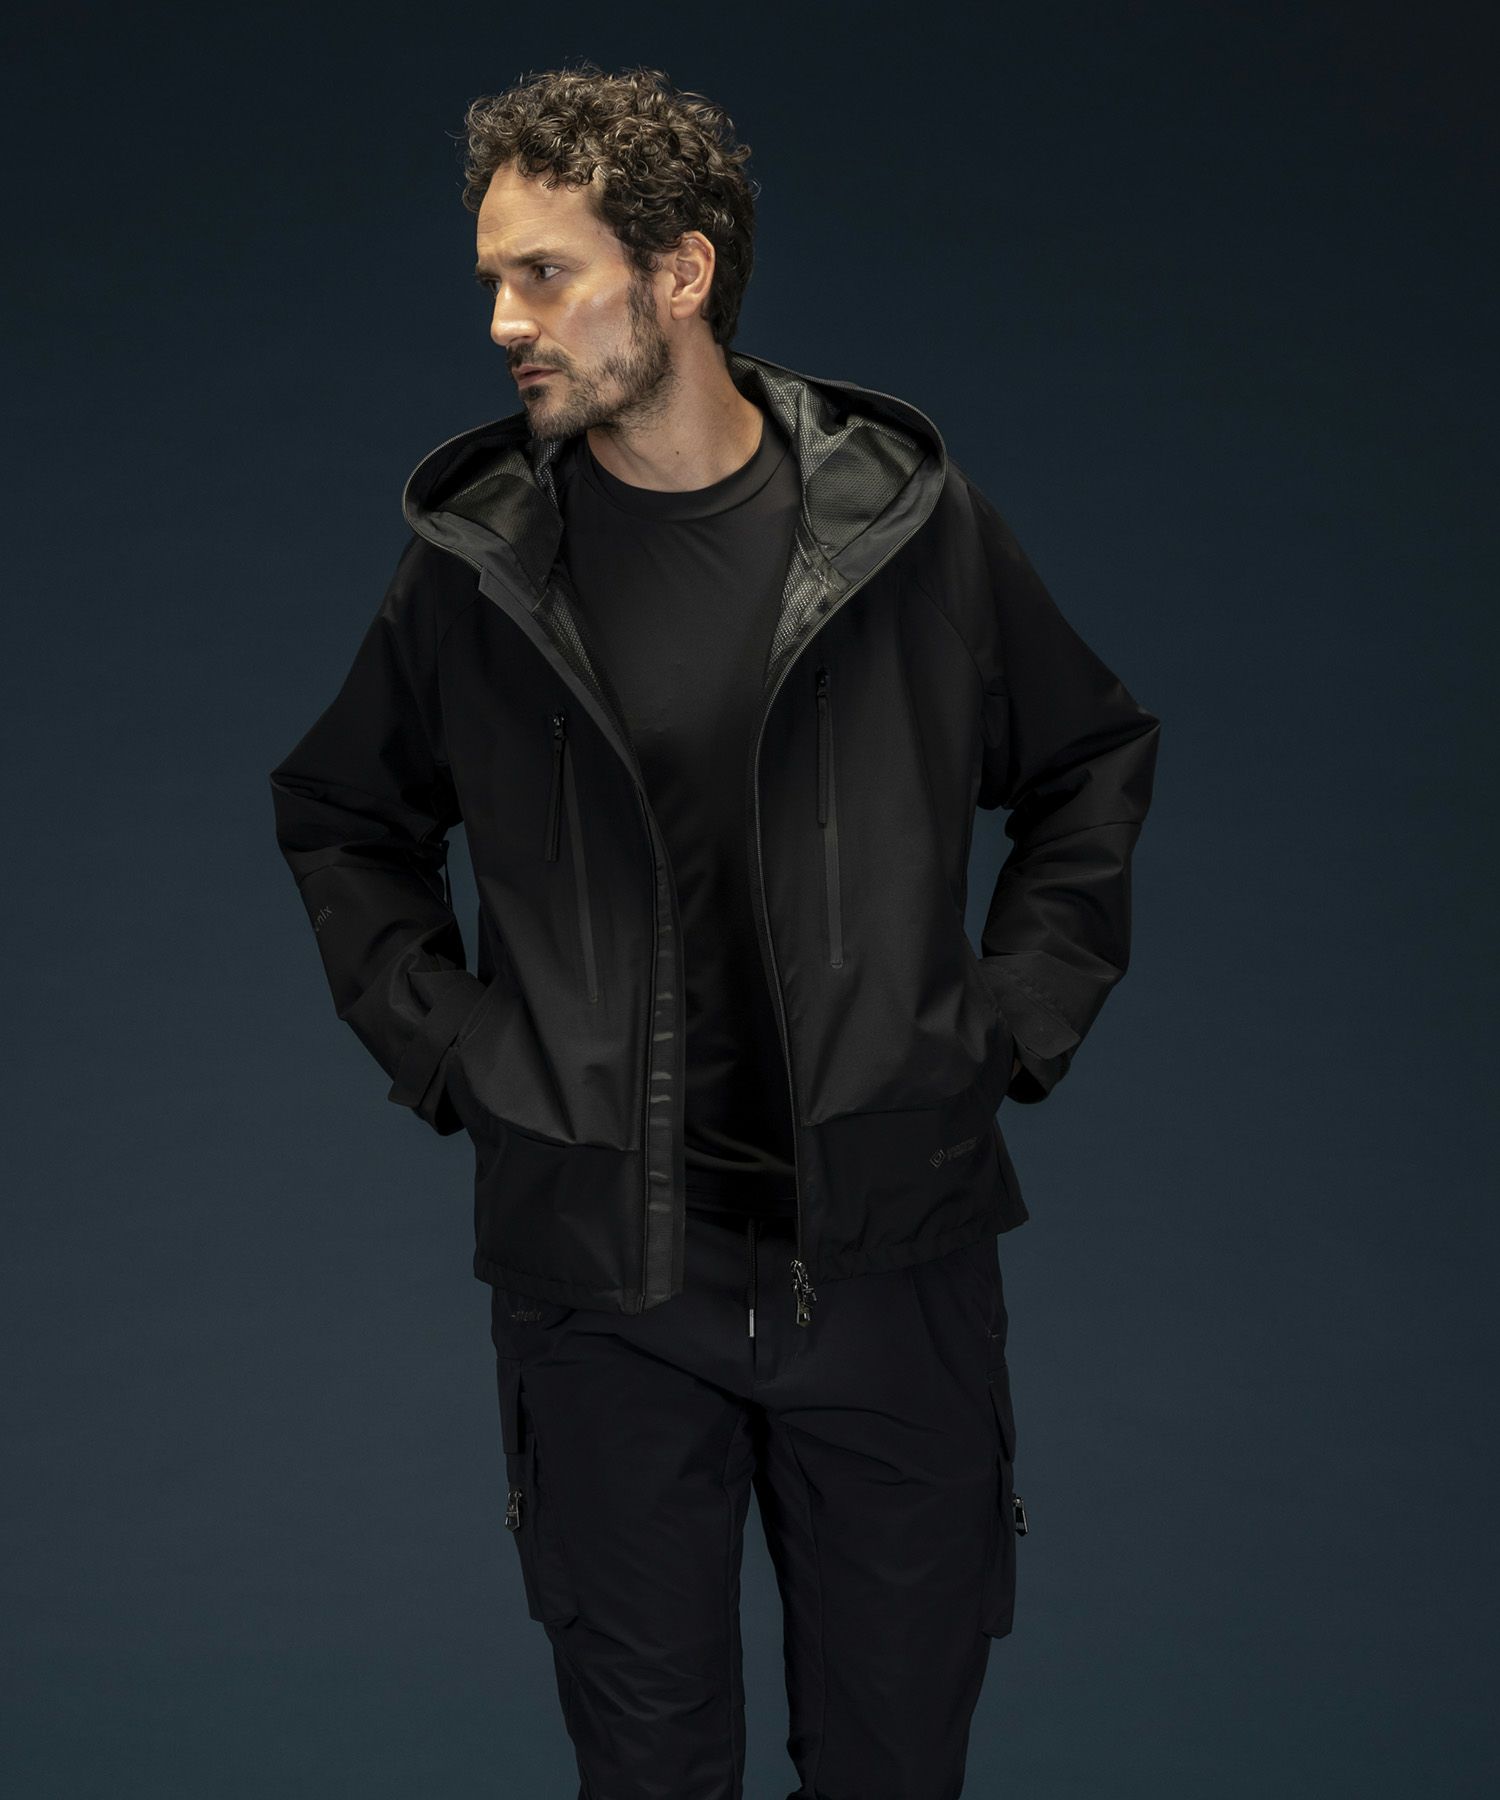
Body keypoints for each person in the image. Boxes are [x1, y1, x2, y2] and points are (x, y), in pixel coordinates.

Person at [268, 60, 1161, 1800]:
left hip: (891, 1265)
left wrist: (1003, 1026)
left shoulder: (905, 527)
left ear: (678, 274)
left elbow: (1090, 761)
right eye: (493, 281)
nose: (505, 323)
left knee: (893, 1769)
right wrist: (466, 1057)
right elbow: (341, 815)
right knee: (650, 1775)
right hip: (604, 1284)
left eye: (546, 275)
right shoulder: (481, 561)